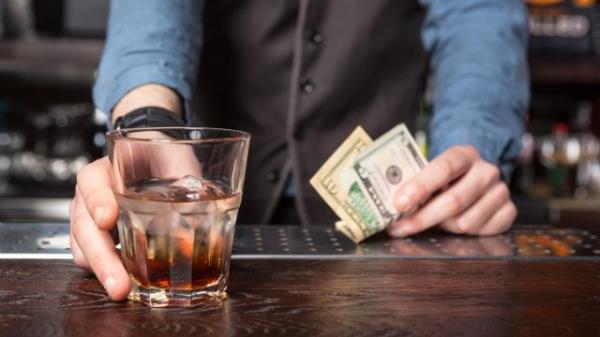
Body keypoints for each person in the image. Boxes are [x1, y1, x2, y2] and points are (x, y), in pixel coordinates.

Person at [70, 0, 529, 300]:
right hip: (199, 212)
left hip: (396, 232)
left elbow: (477, 13)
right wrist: (147, 126)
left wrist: (470, 148)